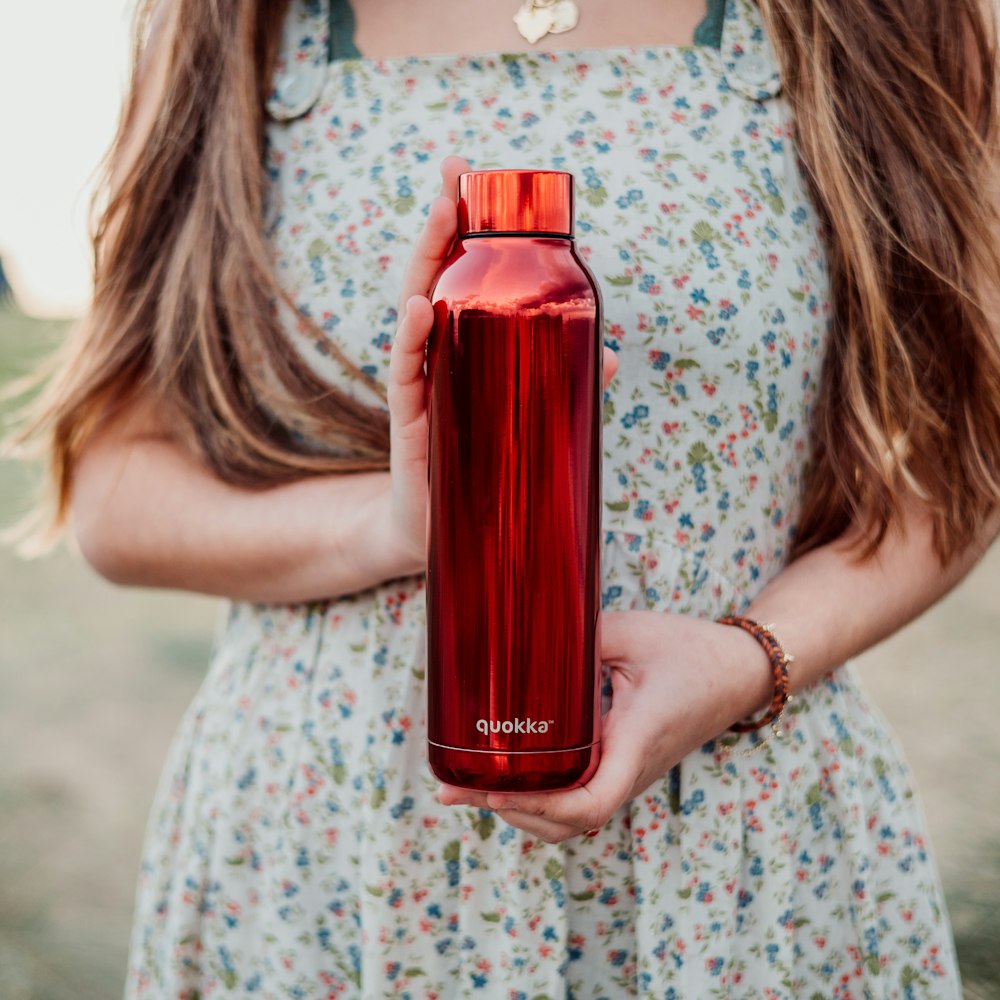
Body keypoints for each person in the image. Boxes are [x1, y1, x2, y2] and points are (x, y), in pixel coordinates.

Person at [14, 0, 1000, 994]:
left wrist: (747, 659)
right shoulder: (235, 26)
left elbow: (962, 463)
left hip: (740, 847)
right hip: (323, 850)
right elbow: (115, 493)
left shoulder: (880, 19)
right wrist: (391, 526)